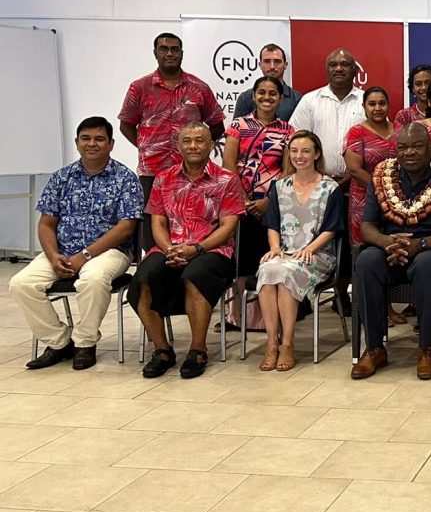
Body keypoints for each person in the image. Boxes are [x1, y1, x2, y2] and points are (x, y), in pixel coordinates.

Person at [11, 117, 143, 371]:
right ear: (77, 142)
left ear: (111, 144)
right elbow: (46, 224)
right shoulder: (62, 177)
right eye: (86, 138)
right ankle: (60, 342)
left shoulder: (125, 178)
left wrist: (85, 255)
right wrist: (52, 256)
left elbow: (126, 227)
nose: (92, 144)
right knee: (21, 284)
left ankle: (85, 343)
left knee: (92, 280)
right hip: (62, 251)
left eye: (99, 139)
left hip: (110, 252)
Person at [128, 123, 246, 380]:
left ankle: (197, 350)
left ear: (211, 145)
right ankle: (162, 350)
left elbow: (228, 226)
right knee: (142, 279)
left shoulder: (227, 180)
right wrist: (169, 248)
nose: (193, 146)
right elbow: (157, 222)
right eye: (187, 141)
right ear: (179, 146)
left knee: (196, 274)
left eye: (200, 140)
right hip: (169, 247)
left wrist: (197, 248)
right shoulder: (163, 179)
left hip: (213, 250)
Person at [352, 124, 431, 380]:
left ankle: (427, 348)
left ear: (430, 149)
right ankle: (374, 348)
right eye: (403, 147)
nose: (409, 152)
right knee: (366, 260)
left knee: (427, 264)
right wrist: (386, 242)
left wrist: (420, 245)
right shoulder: (381, 177)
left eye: (416, 146)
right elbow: (367, 226)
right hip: (390, 250)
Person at [118, 32, 225, 248]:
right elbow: (126, 124)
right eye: (164, 49)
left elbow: (217, 125)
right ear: (155, 53)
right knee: (152, 230)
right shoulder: (139, 87)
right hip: (153, 170)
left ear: (182, 54)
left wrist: (198, 151)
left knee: (191, 227)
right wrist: (146, 146)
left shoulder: (199, 87)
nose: (170, 53)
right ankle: (154, 267)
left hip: (191, 172)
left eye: (175, 49)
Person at [256, 131, 343, 371]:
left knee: (286, 275)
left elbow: (332, 229)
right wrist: (274, 248)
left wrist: (309, 248)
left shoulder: (330, 187)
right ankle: (271, 342)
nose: (299, 156)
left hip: (318, 255)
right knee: (268, 270)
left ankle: (287, 343)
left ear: (316, 154)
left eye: (305, 151)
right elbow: (272, 223)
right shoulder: (279, 186)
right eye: (294, 151)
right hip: (284, 252)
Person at [222, 75, 294, 331]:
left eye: (272, 93)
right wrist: (241, 197)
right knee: (241, 258)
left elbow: (288, 171)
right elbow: (229, 164)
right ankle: (235, 317)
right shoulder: (238, 126)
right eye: (261, 92)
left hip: (272, 202)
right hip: (239, 200)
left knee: (266, 256)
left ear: (281, 98)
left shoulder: (287, 130)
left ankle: (264, 319)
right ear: (253, 96)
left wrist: (268, 201)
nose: (266, 97)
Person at [343, 87, 402, 326]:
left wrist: (392, 195)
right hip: (364, 202)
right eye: (372, 104)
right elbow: (354, 169)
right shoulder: (356, 132)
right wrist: (380, 189)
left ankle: (388, 308)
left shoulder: (399, 132)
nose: (377, 108)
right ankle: (367, 308)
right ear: (364, 107)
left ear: (389, 106)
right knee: (364, 255)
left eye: (382, 103)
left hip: (396, 203)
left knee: (388, 252)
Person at [289, 48, 364, 180]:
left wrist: (354, 174)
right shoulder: (310, 100)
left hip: (358, 184)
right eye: (333, 65)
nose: (338, 68)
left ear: (355, 71)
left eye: (345, 64)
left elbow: (378, 143)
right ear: (327, 70)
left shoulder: (367, 101)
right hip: (316, 183)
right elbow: (295, 141)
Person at [232, 43, 303, 122]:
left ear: (285, 65)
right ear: (260, 65)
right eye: (267, 61)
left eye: (277, 61)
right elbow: (236, 131)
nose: (272, 66)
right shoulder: (245, 98)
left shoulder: (297, 99)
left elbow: (299, 133)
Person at [395, 64, 431, 128]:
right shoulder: (404, 116)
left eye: (428, 83)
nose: (424, 88)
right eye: (418, 84)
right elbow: (398, 137)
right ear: (413, 89)